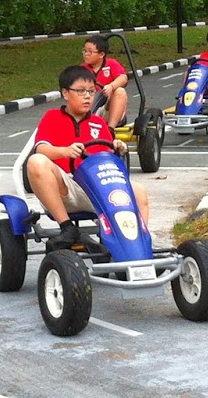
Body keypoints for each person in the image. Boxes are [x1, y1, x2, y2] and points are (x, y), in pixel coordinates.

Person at [27, 65, 149, 248]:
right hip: (66, 186)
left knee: (138, 191)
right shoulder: (52, 118)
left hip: (96, 187)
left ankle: (137, 243)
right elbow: (41, 149)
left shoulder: (99, 123)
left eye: (91, 92)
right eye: (81, 91)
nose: (87, 96)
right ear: (66, 93)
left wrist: (116, 147)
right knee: (36, 162)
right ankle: (67, 227)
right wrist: (64, 151)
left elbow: (107, 161)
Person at [81, 35, 129, 128]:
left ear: (101, 54)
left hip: (109, 110)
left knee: (120, 91)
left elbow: (123, 78)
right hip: (90, 108)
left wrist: (111, 86)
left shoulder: (111, 64)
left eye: (90, 52)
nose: (86, 54)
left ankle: (111, 129)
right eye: (84, 51)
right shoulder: (82, 69)